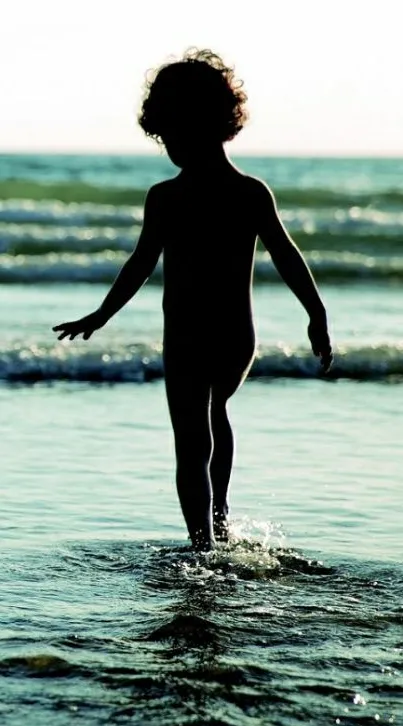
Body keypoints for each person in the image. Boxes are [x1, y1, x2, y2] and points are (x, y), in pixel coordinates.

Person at [53, 48, 333, 552]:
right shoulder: (249, 191)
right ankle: (220, 520)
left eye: (172, 133)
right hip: (235, 339)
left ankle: (202, 544)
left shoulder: (170, 197)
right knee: (215, 415)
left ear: (204, 125)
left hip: (187, 336)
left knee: (191, 439)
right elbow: (286, 258)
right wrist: (316, 314)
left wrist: (101, 314)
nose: (169, 146)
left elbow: (142, 265)